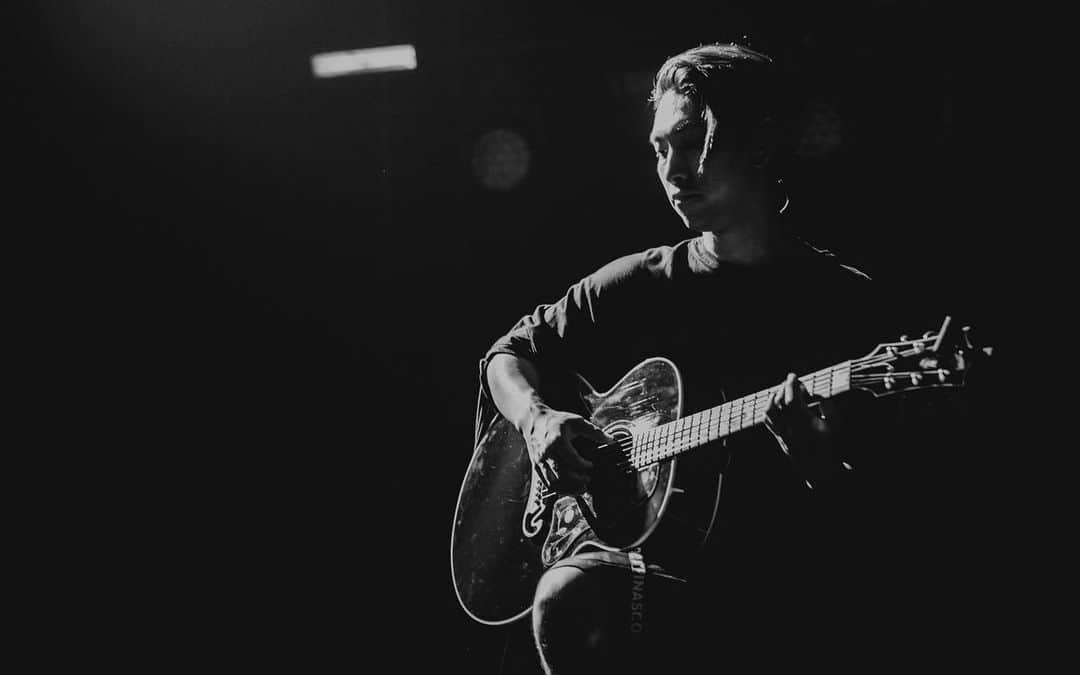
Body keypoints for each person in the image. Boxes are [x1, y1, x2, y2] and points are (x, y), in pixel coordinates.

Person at [479, 42, 897, 674]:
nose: (672, 169)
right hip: (655, 576)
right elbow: (507, 355)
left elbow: (889, 530)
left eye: (692, 139)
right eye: (658, 149)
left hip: (780, 598)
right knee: (567, 593)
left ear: (759, 143)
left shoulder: (844, 304)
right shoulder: (641, 282)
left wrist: (818, 465)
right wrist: (539, 421)